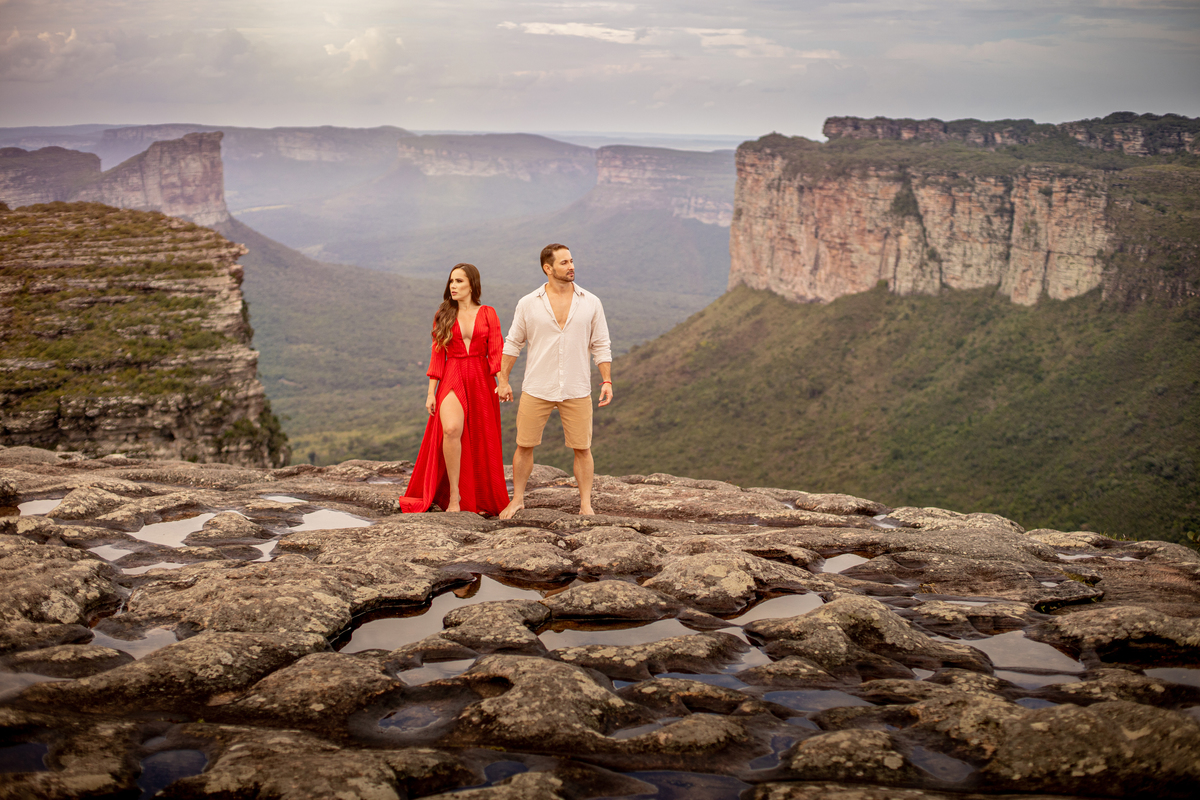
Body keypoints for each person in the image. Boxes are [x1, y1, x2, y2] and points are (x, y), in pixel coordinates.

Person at [497, 244, 612, 518]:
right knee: (524, 445)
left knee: (583, 448)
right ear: (547, 268)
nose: (571, 266)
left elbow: (601, 344)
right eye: (563, 263)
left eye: (571, 261)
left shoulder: (591, 302)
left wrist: (606, 380)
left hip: (577, 386)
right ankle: (519, 500)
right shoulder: (528, 303)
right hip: (537, 385)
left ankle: (585, 505)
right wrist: (503, 380)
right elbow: (513, 343)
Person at [399, 263, 509, 515]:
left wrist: (503, 382)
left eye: (459, 281)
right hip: (453, 374)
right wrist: (430, 392)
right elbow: (438, 354)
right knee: (450, 430)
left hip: (482, 379)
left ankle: (479, 498)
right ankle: (455, 497)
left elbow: (496, 352)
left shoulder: (489, 313)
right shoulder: (444, 314)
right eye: (451, 282)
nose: (454, 286)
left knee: (481, 438)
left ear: (472, 284)